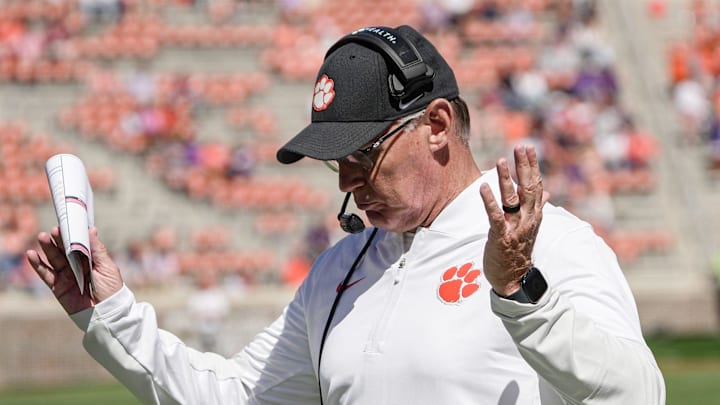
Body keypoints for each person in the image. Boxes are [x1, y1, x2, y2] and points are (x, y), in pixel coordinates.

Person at [26, 25, 665, 404]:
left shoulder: (550, 242)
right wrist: (105, 310)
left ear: (437, 126)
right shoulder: (338, 271)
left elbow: (638, 394)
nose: (349, 180)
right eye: (335, 161)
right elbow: (238, 396)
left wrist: (523, 292)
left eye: (363, 153)